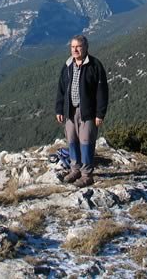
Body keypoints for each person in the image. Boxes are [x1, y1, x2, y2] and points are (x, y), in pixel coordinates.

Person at [55, 34, 109, 188]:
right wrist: (59, 109)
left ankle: (86, 175)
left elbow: (102, 92)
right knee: (72, 141)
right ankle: (75, 170)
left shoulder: (95, 66)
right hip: (70, 111)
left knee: (86, 142)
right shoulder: (68, 66)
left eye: (78, 46)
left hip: (88, 113)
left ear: (86, 47)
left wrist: (100, 113)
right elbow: (61, 89)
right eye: (73, 47)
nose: (75, 50)